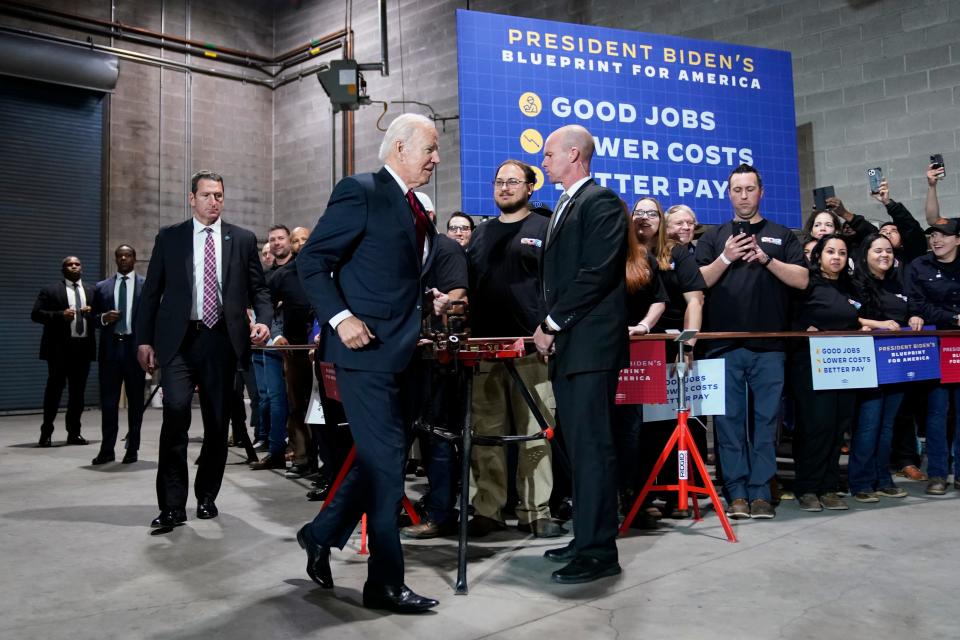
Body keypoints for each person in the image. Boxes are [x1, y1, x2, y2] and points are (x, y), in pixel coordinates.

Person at [295, 113, 440, 613]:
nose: (436, 158)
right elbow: (311, 261)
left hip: (405, 354)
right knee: (386, 471)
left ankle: (320, 532)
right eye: (430, 149)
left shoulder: (419, 206)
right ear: (400, 148)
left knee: (384, 458)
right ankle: (383, 583)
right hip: (363, 354)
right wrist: (339, 318)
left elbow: (399, 276)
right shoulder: (360, 191)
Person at [137, 170, 272, 529]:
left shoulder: (242, 239)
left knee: (217, 422)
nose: (215, 201)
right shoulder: (171, 238)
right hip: (179, 341)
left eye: (220, 195)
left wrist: (263, 321)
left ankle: (207, 496)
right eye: (208, 195)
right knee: (176, 413)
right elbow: (151, 292)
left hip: (222, 341)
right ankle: (172, 506)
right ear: (192, 198)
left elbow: (259, 289)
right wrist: (144, 339)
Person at [533, 124, 628, 584]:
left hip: (590, 348)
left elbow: (597, 273)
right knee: (578, 450)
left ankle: (599, 551)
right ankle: (584, 536)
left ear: (575, 154)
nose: (543, 161)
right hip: (571, 348)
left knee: (593, 451)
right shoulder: (563, 206)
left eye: (549, 153)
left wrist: (552, 323)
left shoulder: (601, 202)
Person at [695, 163, 808, 520]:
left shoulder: (781, 235)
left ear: (761, 192)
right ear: (728, 194)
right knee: (727, 424)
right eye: (737, 190)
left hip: (770, 347)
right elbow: (697, 282)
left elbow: (803, 280)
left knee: (765, 423)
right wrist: (726, 257)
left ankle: (761, 492)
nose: (743, 196)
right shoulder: (713, 237)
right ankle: (737, 493)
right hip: (723, 346)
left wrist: (766, 259)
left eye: (749, 189)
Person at [463, 159, 564, 539]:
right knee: (485, 434)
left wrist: (550, 329)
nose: (505, 187)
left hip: (531, 349)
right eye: (499, 181)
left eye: (513, 181)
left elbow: (557, 285)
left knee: (535, 433)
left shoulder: (545, 227)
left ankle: (534, 511)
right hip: (486, 349)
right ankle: (487, 509)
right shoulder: (481, 233)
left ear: (530, 187)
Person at [848, 233, 923, 503]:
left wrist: (915, 315)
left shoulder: (899, 282)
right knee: (868, 425)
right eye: (878, 250)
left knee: (887, 426)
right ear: (866, 253)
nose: (884, 255)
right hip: (867, 364)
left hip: (896, 364)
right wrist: (875, 324)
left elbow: (912, 307)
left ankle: (883, 478)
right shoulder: (855, 284)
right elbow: (847, 316)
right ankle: (860, 482)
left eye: (889, 251)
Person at [788, 235, 859, 512]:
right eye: (830, 251)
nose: (836, 257)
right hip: (811, 363)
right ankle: (807, 487)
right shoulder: (806, 284)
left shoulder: (851, 286)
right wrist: (804, 327)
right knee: (816, 425)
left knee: (839, 426)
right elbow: (790, 316)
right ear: (817, 256)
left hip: (847, 363)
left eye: (842, 252)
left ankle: (829, 487)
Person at [614, 199, 667, 527]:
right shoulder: (588, 253)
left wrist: (644, 326)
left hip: (634, 357)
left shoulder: (642, 257)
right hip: (596, 356)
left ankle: (634, 497)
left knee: (632, 432)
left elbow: (659, 300)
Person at [906, 219, 960, 495]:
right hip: (935, 347)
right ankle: (937, 473)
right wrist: (954, 317)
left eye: (944, 235)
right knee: (937, 412)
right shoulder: (919, 266)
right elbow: (918, 306)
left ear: (958, 240)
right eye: (934, 235)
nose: (937, 240)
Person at [31, 256, 96, 447]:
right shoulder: (50, 290)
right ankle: (46, 433)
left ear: (81, 268)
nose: (74, 266)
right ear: (63, 269)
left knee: (78, 394)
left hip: (82, 349)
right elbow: (36, 314)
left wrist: (92, 313)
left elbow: (100, 315)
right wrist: (60, 315)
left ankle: (74, 433)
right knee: (54, 392)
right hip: (59, 350)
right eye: (70, 264)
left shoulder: (91, 290)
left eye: (77, 264)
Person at [91, 245, 146, 465]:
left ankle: (132, 449)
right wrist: (104, 317)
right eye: (120, 256)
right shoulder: (102, 287)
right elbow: (92, 317)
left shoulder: (146, 285)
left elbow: (154, 318)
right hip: (110, 351)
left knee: (135, 403)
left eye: (128, 255)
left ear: (134, 258)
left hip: (135, 351)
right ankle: (107, 450)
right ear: (115, 259)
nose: (124, 258)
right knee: (109, 403)